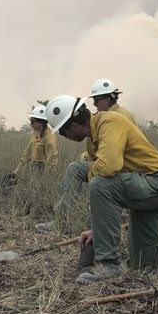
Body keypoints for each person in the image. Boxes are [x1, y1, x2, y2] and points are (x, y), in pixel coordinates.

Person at [45, 94, 158, 284]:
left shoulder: (109, 121)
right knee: (145, 260)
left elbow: (109, 167)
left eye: (63, 133)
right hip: (144, 190)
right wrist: (99, 229)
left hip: (157, 184)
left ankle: (111, 264)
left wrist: (99, 229)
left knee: (99, 183)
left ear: (73, 126)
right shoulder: (94, 139)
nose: (65, 137)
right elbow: (114, 182)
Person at [36, 78, 139, 233]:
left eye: (97, 101)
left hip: (126, 168)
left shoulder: (115, 118)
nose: (94, 105)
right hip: (118, 165)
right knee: (84, 168)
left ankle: (66, 221)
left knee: (80, 170)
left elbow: (112, 161)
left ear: (108, 98)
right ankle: (68, 219)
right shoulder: (99, 122)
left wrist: (94, 170)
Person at [11, 104, 58, 177]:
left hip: (43, 168)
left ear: (41, 122)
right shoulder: (35, 132)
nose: (30, 124)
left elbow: (52, 161)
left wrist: (44, 179)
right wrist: (16, 171)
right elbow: (28, 152)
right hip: (33, 166)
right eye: (30, 121)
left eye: (33, 121)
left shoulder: (49, 138)